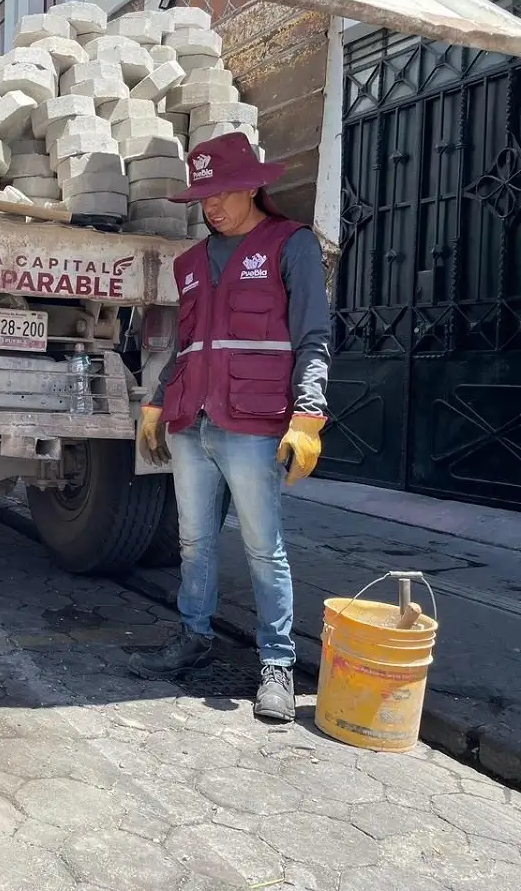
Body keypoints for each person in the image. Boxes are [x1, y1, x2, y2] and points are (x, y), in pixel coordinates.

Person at [128, 132, 331, 722]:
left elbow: (314, 338)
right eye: (203, 196)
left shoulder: (290, 246)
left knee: (263, 549)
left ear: (252, 186)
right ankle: (193, 636)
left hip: (253, 424)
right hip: (192, 422)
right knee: (193, 542)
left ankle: (277, 664)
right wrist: (158, 402)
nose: (210, 206)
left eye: (222, 192)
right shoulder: (190, 263)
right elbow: (189, 346)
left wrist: (308, 417)